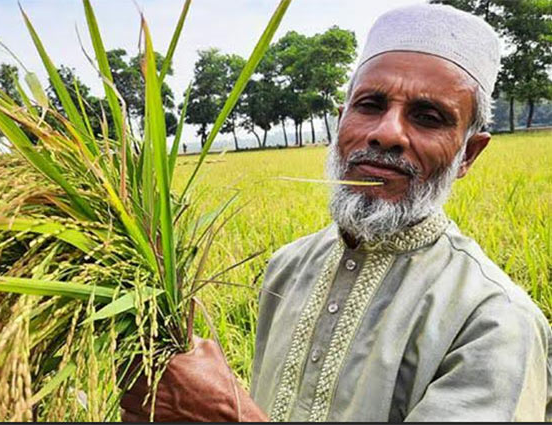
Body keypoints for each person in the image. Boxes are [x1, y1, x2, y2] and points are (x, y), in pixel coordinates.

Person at [120, 3, 552, 422]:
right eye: (370, 105)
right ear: (341, 121)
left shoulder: (496, 322)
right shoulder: (287, 267)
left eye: (428, 117)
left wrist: (228, 415)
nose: (387, 133)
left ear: (468, 155)